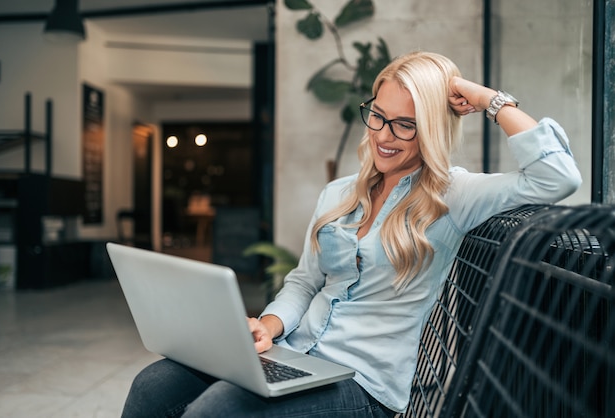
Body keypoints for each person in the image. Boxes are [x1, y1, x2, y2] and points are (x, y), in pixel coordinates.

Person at [121, 51, 581, 417]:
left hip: (361, 385)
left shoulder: (455, 194)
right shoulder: (339, 194)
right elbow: (304, 282)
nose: (384, 134)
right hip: (294, 356)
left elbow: (557, 177)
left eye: (405, 123)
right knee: (155, 384)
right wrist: (270, 325)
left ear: (435, 128)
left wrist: (486, 100)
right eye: (378, 115)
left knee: (220, 410)